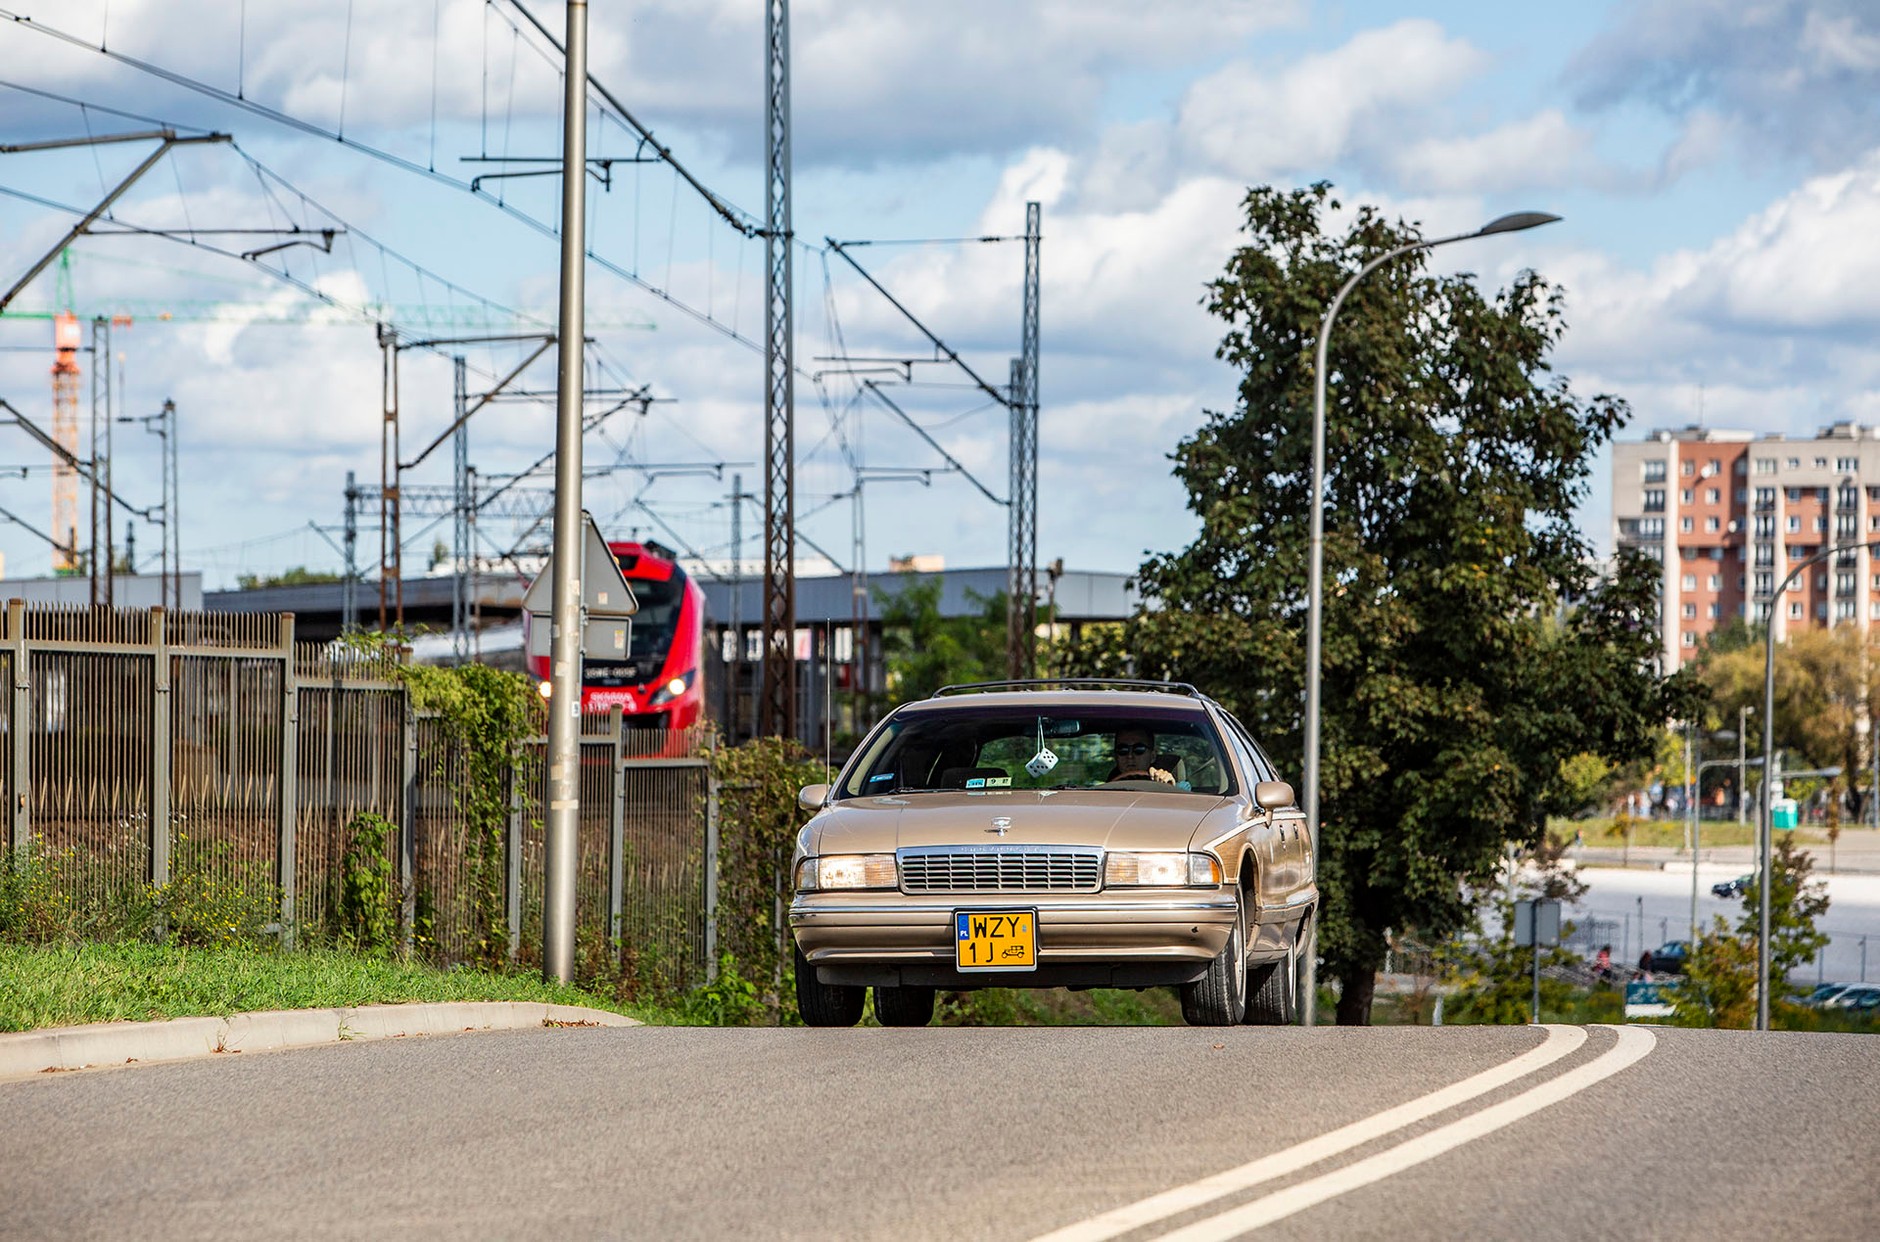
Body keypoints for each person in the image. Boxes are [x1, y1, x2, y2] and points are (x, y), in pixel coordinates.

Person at [1107, 726, 1174, 784]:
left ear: (1152, 756)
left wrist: (1170, 786)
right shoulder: (1102, 791)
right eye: (1122, 750)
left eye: (1139, 749)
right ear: (1115, 757)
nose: (1130, 756)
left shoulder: (1176, 785)